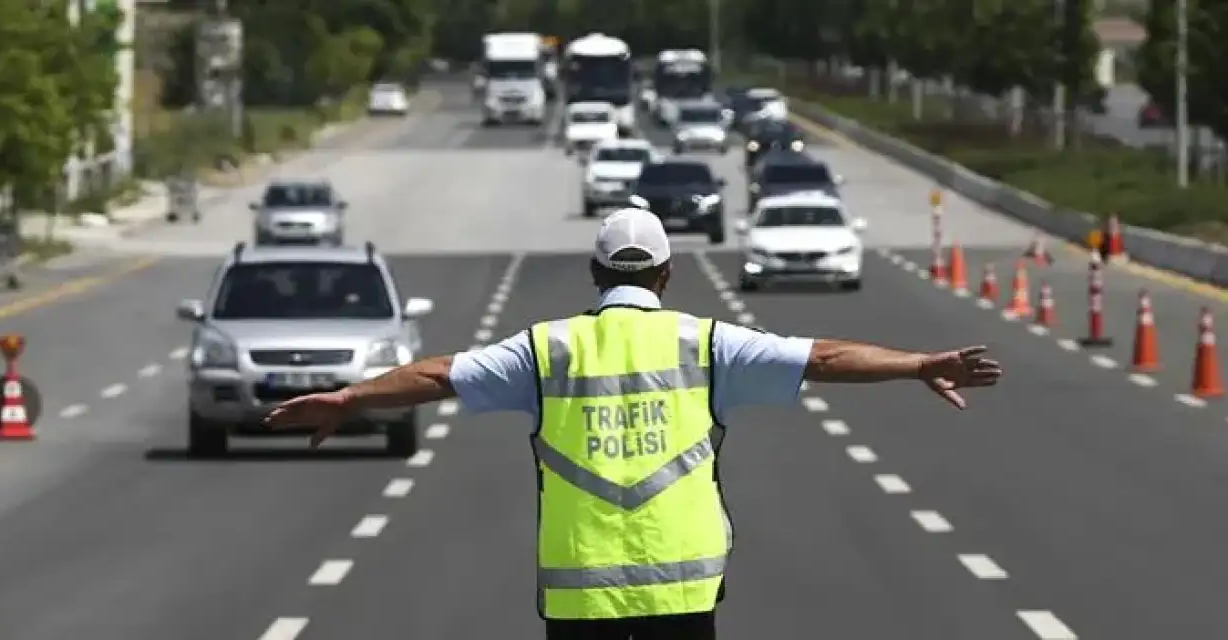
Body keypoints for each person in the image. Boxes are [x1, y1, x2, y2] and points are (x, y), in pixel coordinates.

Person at [264, 208, 1003, 640]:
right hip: (682, 593)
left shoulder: (546, 350)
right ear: (666, 274)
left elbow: (434, 375)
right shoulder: (707, 344)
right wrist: (915, 364)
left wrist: (349, 398)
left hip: (580, 596)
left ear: (594, 274)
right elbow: (824, 356)